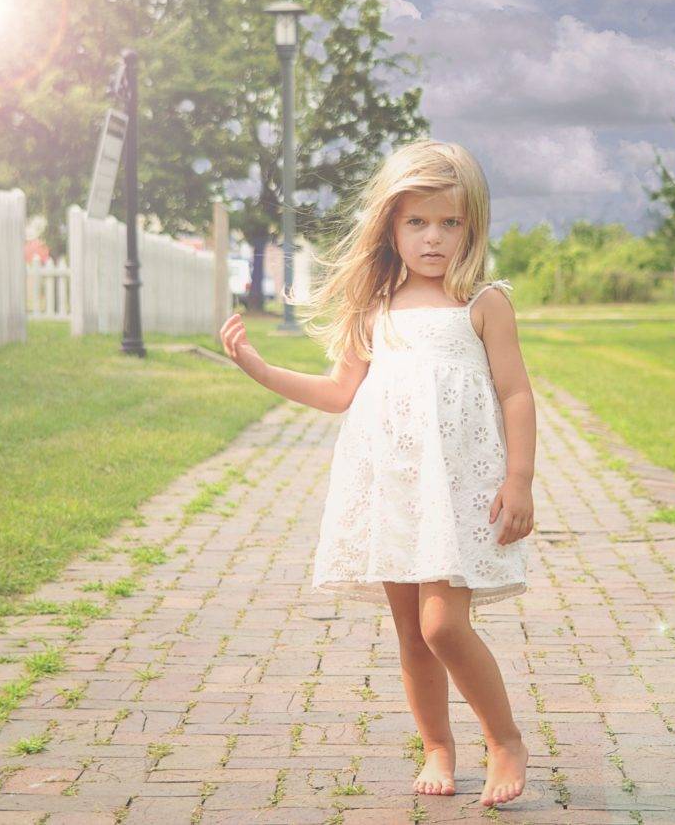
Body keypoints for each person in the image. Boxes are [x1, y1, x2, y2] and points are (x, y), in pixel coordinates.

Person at [219, 139, 536, 808]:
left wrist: (520, 481)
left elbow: (515, 394)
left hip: (456, 493)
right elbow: (340, 394)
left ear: (471, 228)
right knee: (410, 633)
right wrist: (260, 370)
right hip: (393, 487)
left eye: (450, 223)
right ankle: (438, 745)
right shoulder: (375, 305)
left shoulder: (482, 302)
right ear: (391, 225)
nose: (434, 238)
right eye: (418, 222)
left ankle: (504, 739)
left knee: (443, 626)